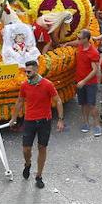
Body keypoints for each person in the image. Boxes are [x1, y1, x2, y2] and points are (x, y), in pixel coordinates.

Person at [10, 59, 64, 189]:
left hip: (45, 121)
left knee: (42, 147)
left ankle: (39, 176)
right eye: (25, 71)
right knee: (26, 149)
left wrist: (60, 119)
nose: (26, 74)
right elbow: (19, 102)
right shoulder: (24, 85)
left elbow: (58, 101)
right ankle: (27, 163)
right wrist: (13, 118)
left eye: (28, 71)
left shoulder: (47, 84)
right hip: (30, 120)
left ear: (36, 70)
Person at [72, 29, 102, 136]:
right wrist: (66, 43)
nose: (78, 40)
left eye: (79, 38)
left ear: (86, 39)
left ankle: (97, 125)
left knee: (92, 104)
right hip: (80, 81)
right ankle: (85, 122)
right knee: (83, 104)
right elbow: (75, 43)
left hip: (89, 83)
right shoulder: (80, 46)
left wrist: (83, 81)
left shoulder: (93, 52)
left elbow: (95, 70)